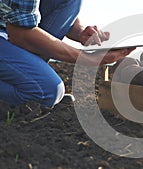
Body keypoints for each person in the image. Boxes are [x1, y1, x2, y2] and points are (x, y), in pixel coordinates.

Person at [0, 0, 135, 108]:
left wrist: (79, 32)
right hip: (12, 33)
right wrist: (87, 59)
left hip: (7, 29)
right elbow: (20, 34)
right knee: (46, 92)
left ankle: (20, 78)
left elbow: (28, 15)